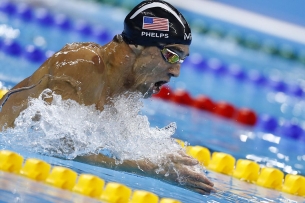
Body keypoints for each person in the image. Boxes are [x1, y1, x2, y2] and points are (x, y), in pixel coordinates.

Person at [0, 0, 215, 194]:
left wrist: (171, 163)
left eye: (181, 59)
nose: (176, 71)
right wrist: (153, 169)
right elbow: (60, 147)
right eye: (171, 54)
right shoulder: (85, 63)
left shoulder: (123, 91)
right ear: (138, 45)